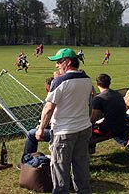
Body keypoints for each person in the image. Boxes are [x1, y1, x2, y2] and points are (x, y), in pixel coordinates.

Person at [28, 48, 93, 194]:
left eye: (58, 62)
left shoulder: (59, 81)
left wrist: (40, 128)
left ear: (68, 62)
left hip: (64, 132)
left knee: (60, 170)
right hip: (83, 128)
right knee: (81, 166)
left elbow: (49, 107)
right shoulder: (87, 79)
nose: (56, 65)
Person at [89, 74, 129, 150]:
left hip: (111, 127)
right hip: (124, 122)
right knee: (112, 124)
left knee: (90, 131)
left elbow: (93, 119)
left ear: (97, 84)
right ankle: (128, 137)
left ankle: (125, 141)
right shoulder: (116, 93)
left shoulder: (98, 98)